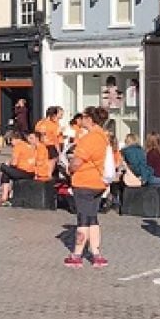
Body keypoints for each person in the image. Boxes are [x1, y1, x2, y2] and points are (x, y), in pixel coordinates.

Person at [64, 106, 110, 268]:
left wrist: (69, 168)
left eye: (83, 117)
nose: (81, 119)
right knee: (93, 217)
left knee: (83, 219)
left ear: (90, 119)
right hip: (99, 182)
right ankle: (96, 254)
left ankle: (77, 255)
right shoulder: (104, 137)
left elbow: (77, 162)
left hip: (85, 182)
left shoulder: (89, 139)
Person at [0, 131, 47, 205]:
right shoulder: (27, 145)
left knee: (3, 167)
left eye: (10, 141)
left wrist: (7, 164)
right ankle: (6, 196)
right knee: (7, 172)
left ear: (14, 139)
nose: (11, 144)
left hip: (24, 172)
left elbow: (14, 163)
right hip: (32, 172)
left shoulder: (18, 146)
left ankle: (4, 197)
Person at [36, 106, 63, 178]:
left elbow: (38, 133)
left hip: (43, 144)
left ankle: (44, 174)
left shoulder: (40, 122)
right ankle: (49, 174)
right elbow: (55, 138)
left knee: (45, 160)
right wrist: (59, 151)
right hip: (50, 144)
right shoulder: (52, 124)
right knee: (52, 160)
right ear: (52, 115)